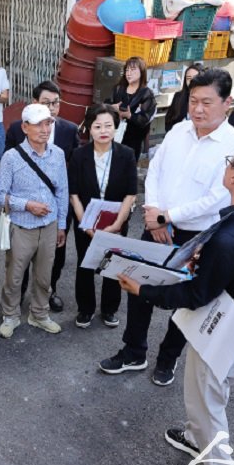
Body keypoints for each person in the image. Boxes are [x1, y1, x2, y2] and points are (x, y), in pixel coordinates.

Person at [118, 137, 234, 465]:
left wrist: (143, 290)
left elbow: (196, 294)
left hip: (225, 334)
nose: (226, 166)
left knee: (208, 401)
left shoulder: (229, 239)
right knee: (211, 395)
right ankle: (197, 436)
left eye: (231, 161)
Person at [99, 68, 234, 386]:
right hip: (156, 224)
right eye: (193, 100)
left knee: (186, 300)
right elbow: (155, 171)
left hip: (197, 235)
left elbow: (217, 197)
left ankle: (168, 358)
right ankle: (134, 350)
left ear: (227, 103)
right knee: (137, 287)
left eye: (207, 102)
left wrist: (169, 216)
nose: (198, 109)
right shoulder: (179, 130)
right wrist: (154, 212)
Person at [0, 103, 69, 339]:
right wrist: (26, 205)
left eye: (48, 123)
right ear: (25, 127)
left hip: (49, 226)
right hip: (21, 226)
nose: (44, 129)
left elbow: (62, 192)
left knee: (44, 277)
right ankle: (10, 315)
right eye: (38, 124)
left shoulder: (58, 154)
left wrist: (62, 225)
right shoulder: (11, 157)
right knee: (14, 277)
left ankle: (39, 314)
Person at [6, 80, 79, 312]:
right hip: (24, 212)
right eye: (46, 103)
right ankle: (17, 298)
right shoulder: (18, 129)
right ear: (35, 103)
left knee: (54, 254)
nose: (53, 107)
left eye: (56, 103)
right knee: (19, 261)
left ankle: (49, 291)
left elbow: (72, 170)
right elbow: (6, 171)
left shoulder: (69, 130)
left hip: (55, 206)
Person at [68, 104, 137, 329]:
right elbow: (74, 194)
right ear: (89, 128)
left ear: (115, 128)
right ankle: (85, 309)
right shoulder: (79, 155)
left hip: (116, 222)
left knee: (113, 264)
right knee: (85, 265)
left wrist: (118, 223)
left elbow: (130, 193)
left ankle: (109, 309)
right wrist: (84, 224)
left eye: (108, 125)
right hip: (86, 221)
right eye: (97, 126)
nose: (103, 130)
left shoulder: (126, 155)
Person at [104, 56, 156, 160]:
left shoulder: (146, 93)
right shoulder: (119, 88)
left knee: (128, 167)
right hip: (115, 134)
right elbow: (106, 104)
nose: (129, 73)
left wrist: (130, 115)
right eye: (127, 70)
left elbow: (145, 119)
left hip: (134, 138)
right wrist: (112, 108)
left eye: (133, 70)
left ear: (142, 72)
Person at [164, 63, 202, 133]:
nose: (192, 81)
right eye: (188, 78)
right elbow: (169, 120)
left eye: (195, 77)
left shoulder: (205, 98)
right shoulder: (178, 97)